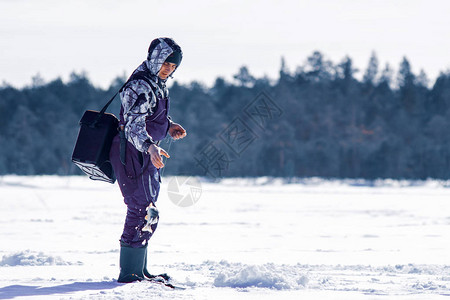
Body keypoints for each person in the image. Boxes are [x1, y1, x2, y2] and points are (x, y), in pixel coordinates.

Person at [109, 37, 186, 283]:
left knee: (148, 208)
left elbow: (150, 115)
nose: (168, 69)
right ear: (155, 59)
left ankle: (140, 270)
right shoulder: (139, 85)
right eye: (165, 63)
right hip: (131, 151)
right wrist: (151, 146)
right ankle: (129, 272)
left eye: (173, 66)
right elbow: (133, 125)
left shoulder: (157, 83)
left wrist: (169, 126)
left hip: (146, 153)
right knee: (140, 208)